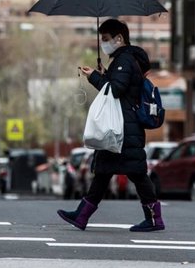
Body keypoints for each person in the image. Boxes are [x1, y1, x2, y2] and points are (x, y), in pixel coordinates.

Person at [57, 18, 165, 232]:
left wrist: (95, 77)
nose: (104, 43)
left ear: (119, 38)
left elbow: (115, 90)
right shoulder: (124, 60)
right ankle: (81, 215)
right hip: (123, 126)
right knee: (104, 171)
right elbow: (119, 87)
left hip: (123, 128)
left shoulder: (124, 59)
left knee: (136, 173)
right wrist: (105, 74)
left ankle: (154, 219)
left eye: (106, 39)